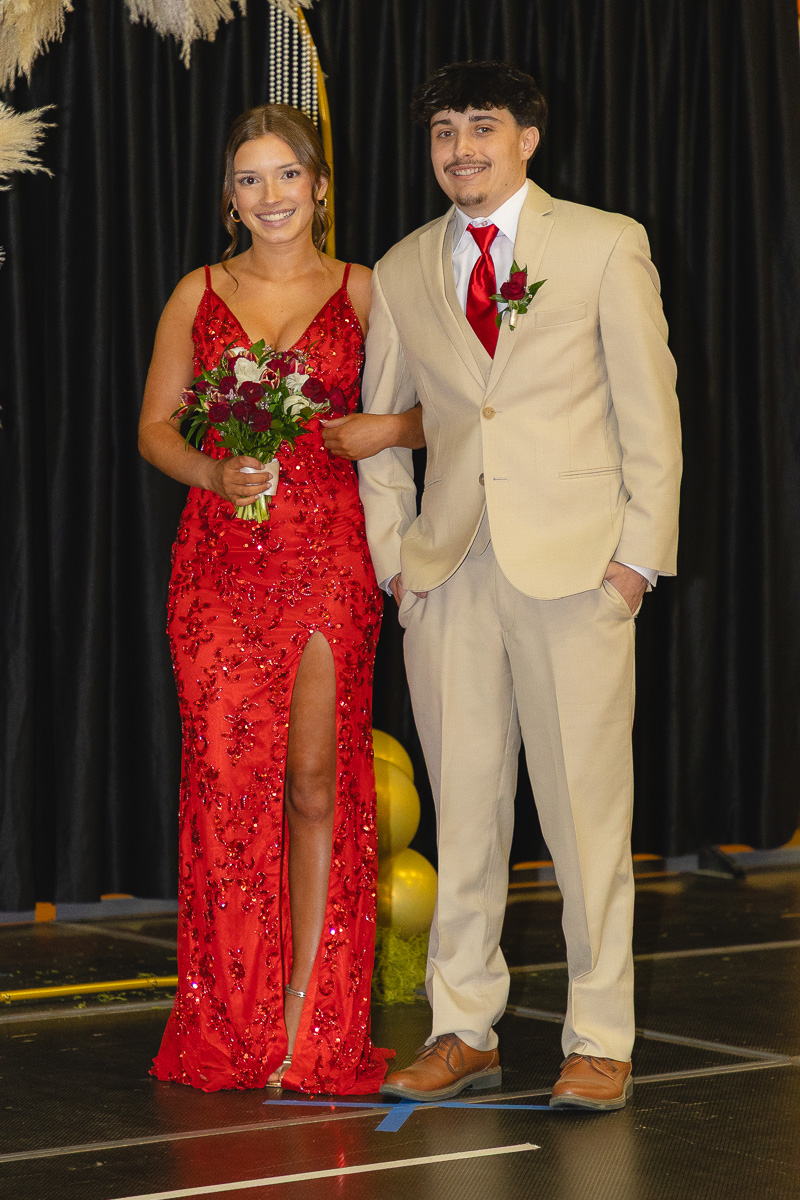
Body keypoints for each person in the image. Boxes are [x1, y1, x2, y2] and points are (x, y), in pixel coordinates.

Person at [358, 61, 682, 1111]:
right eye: (444, 131)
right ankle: (463, 1026)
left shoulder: (601, 242)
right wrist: (394, 564)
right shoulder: (403, 267)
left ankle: (598, 1038)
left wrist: (637, 557)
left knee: (586, 814)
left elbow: (650, 411)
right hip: (446, 573)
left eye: (481, 128)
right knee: (464, 810)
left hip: (576, 570)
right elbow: (380, 433)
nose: (460, 148)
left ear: (527, 138)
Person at [138, 103, 421, 1093]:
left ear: (319, 185)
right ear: (229, 196)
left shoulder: (368, 290)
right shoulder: (197, 293)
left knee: (312, 788)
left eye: (285, 177)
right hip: (216, 568)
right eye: (249, 180)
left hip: (328, 562)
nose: (269, 198)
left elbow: (448, 406)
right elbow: (155, 431)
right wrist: (216, 476)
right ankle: (232, 1019)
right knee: (226, 791)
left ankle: (310, 1021)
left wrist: (384, 431)